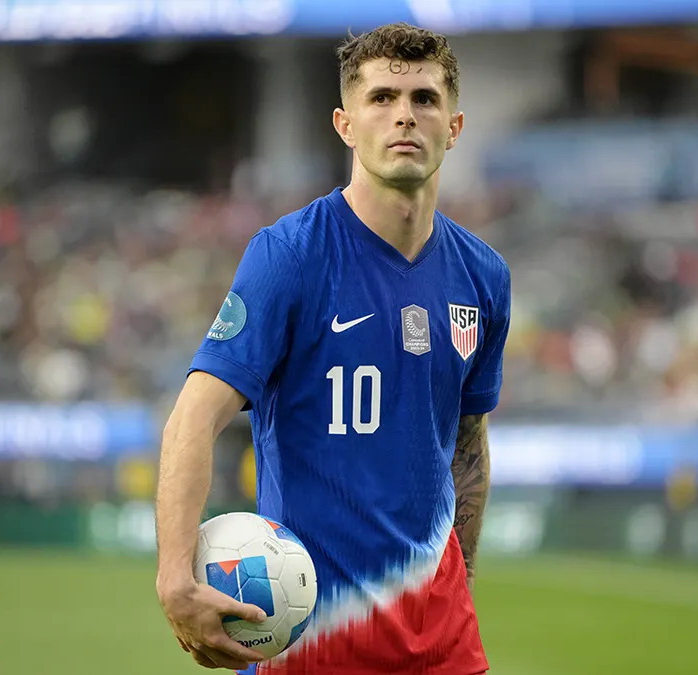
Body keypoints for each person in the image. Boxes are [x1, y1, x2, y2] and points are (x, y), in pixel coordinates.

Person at [155, 21, 509, 675]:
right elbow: (192, 417)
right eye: (381, 98)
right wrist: (175, 576)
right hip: (314, 651)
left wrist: (462, 584)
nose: (404, 115)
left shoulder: (484, 276)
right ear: (345, 124)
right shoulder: (290, 256)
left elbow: (466, 443)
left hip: (445, 650)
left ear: (454, 126)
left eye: (425, 99)